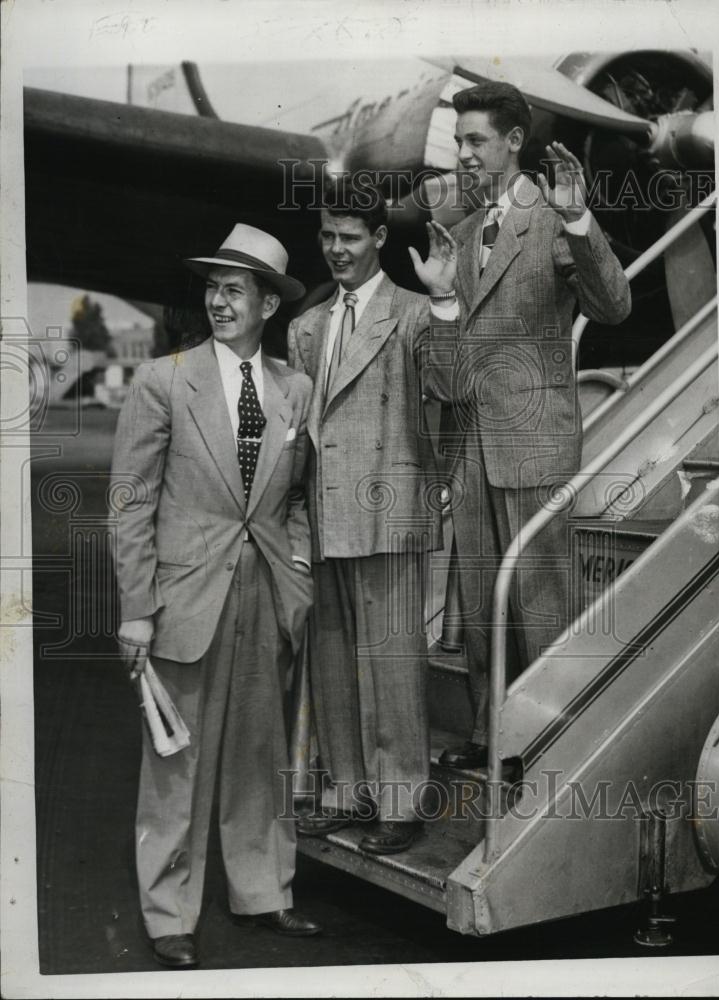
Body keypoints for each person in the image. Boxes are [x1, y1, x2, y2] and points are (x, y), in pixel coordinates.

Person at [110, 224, 321, 969]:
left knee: (261, 753)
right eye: (212, 288)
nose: (219, 301)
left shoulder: (293, 389)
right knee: (178, 761)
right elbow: (130, 503)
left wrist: (295, 565)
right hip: (183, 598)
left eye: (235, 290)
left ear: (268, 303)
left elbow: (295, 496)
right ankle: (170, 911)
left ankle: (263, 892)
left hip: (267, 590)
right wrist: (138, 607)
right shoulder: (164, 381)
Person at [410, 81, 632, 769]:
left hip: (534, 444)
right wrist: (443, 305)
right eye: (458, 142)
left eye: (476, 141)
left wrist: (579, 222)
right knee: (480, 604)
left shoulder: (549, 219)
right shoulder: (467, 234)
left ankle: (549, 742)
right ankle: (488, 732)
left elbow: (615, 305)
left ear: (513, 142)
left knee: (539, 601)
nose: (464, 156)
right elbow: (447, 380)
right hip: (471, 448)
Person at [288, 182, 441, 855]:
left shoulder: (415, 313)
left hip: (387, 511)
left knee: (393, 666)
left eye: (350, 237)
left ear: (379, 238)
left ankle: (401, 802)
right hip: (324, 518)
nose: (336, 250)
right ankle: (346, 792)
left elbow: (454, 384)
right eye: (327, 236)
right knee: (333, 664)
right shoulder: (304, 327)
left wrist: (447, 300)